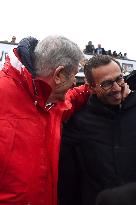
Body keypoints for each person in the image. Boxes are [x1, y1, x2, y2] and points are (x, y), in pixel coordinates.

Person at [0, 35, 90, 205]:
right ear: (59, 74)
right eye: (73, 76)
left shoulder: (51, 101)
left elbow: (72, 97)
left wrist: (93, 87)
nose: (73, 83)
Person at [59, 54, 135, 205]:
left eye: (119, 79)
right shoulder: (78, 124)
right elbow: (68, 182)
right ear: (91, 87)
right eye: (107, 84)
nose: (116, 88)